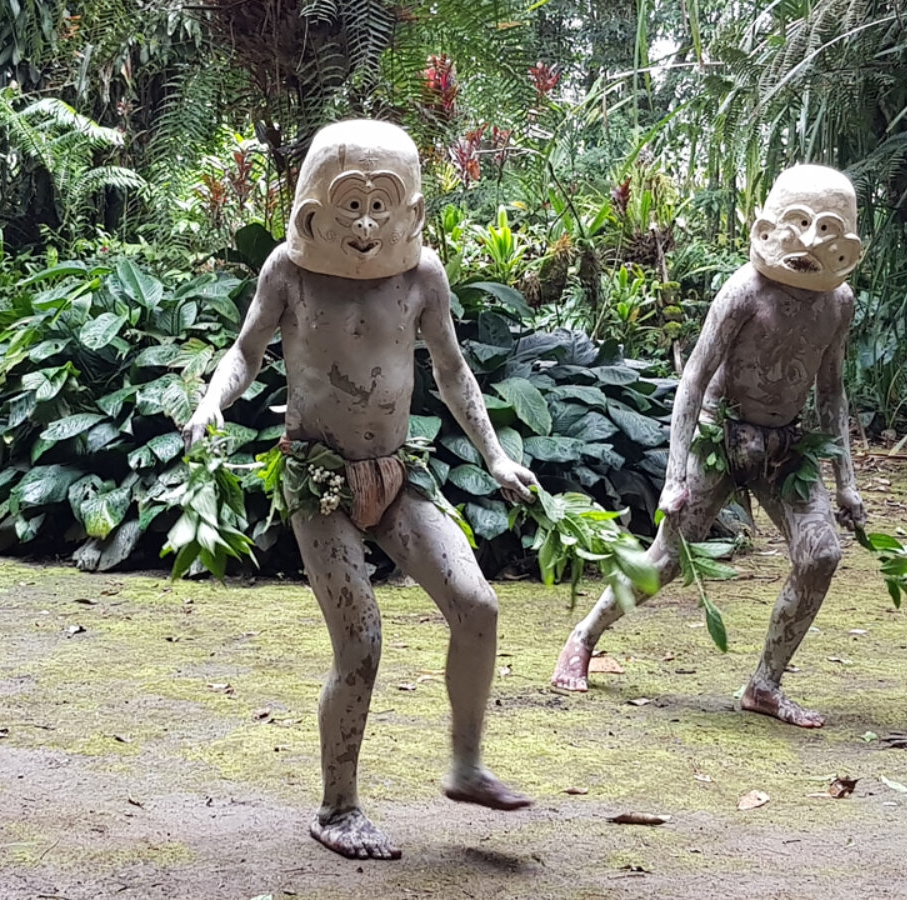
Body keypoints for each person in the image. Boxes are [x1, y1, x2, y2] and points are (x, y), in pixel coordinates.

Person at [185, 119, 534, 860]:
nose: (368, 224)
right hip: (318, 481)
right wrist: (213, 402)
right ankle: (336, 808)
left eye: (382, 205)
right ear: (316, 206)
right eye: (351, 207)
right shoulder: (288, 270)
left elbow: (452, 371)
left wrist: (498, 457)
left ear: (408, 209)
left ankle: (467, 765)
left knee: (477, 605)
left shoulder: (421, 278)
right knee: (362, 642)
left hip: (396, 471)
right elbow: (246, 351)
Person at [550, 164, 868, 729]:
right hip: (719, 435)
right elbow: (694, 380)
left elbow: (832, 389)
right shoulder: (744, 290)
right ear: (773, 225)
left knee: (821, 555)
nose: (811, 243)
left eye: (826, 230)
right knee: (666, 559)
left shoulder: (837, 303)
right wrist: (675, 476)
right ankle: (584, 635)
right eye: (800, 225)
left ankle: (765, 684)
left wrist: (846, 482)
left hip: (786, 446)